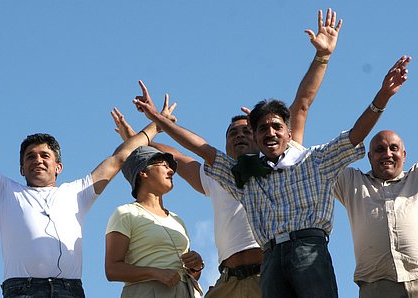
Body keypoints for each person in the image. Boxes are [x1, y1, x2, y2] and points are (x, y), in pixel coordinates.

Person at [134, 47, 410, 297]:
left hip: (309, 250)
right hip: (272, 257)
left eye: (277, 127)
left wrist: (383, 96)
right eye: (263, 128)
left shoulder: (313, 160)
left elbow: (354, 134)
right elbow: (200, 149)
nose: (271, 133)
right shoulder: (243, 176)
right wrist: (155, 121)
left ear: (289, 133)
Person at [117, 7, 342, 297]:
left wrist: (322, 57)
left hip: (272, 275)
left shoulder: (282, 163)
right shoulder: (215, 175)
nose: (239, 136)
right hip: (228, 282)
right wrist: (137, 138)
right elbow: (176, 153)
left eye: (246, 131)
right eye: (232, 133)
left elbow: (301, 104)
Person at [0, 79, 165, 298]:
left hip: (70, 289)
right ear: (22, 168)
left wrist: (156, 125)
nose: (37, 160)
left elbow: (119, 159)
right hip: (22, 290)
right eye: (30, 157)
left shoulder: (78, 192)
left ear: (58, 166)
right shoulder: (2, 190)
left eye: (45, 156)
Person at [104, 146, 204, 298]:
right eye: (164, 165)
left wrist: (196, 266)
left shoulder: (177, 220)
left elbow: (188, 273)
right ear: (143, 172)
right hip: (146, 292)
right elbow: (112, 270)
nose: (171, 171)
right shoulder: (125, 213)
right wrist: (155, 273)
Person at [333, 125, 418, 297]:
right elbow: (315, 165)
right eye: (380, 150)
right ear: (370, 157)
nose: (387, 154)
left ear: (404, 155)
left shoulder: (414, 178)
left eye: (394, 148)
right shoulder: (352, 182)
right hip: (377, 286)